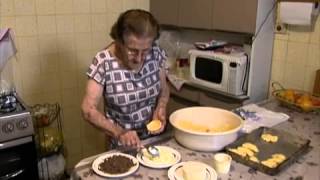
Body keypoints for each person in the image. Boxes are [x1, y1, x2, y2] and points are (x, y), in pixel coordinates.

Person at [81, 9, 170, 149]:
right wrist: (120, 132)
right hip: (121, 147)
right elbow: (88, 109)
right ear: (119, 41)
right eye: (132, 50)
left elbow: (164, 92)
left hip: (153, 142)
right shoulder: (103, 62)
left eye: (145, 50)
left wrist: (161, 108)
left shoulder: (156, 54)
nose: (139, 58)